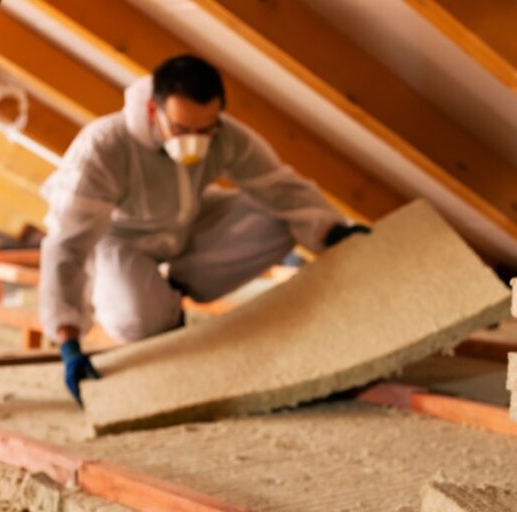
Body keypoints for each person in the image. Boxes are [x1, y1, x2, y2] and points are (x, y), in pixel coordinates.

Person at [39, 54, 369, 405]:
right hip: (120, 238)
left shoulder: (225, 136)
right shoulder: (104, 146)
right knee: (139, 319)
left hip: (187, 222)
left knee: (281, 214)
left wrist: (333, 231)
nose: (194, 141)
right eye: (181, 130)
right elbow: (67, 244)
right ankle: (157, 308)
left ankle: (175, 289)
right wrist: (69, 340)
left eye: (204, 130)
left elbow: (281, 187)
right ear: (153, 110)